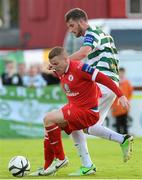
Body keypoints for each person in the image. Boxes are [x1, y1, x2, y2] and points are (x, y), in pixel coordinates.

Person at [30, 47, 133, 176]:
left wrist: (120, 95)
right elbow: (57, 71)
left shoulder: (80, 68)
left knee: (49, 119)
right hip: (74, 108)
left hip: (87, 111)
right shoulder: (60, 70)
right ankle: (49, 167)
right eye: (52, 64)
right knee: (50, 127)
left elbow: (104, 79)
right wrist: (54, 68)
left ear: (66, 59)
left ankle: (61, 159)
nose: (54, 67)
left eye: (56, 64)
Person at [63, 8, 134, 176]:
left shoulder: (91, 33)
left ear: (81, 21)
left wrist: (62, 62)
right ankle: (122, 139)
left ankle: (87, 165)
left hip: (101, 85)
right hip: (108, 84)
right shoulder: (104, 34)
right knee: (91, 127)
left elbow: (83, 53)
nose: (71, 30)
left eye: (72, 25)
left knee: (70, 119)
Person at [111, 67, 133, 134]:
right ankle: (118, 137)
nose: (121, 74)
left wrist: (128, 101)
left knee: (125, 123)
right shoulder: (115, 82)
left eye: (122, 72)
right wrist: (112, 105)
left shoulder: (127, 83)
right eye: (120, 72)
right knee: (118, 123)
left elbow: (130, 93)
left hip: (124, 107)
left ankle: (126, 136)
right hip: (116, 107)